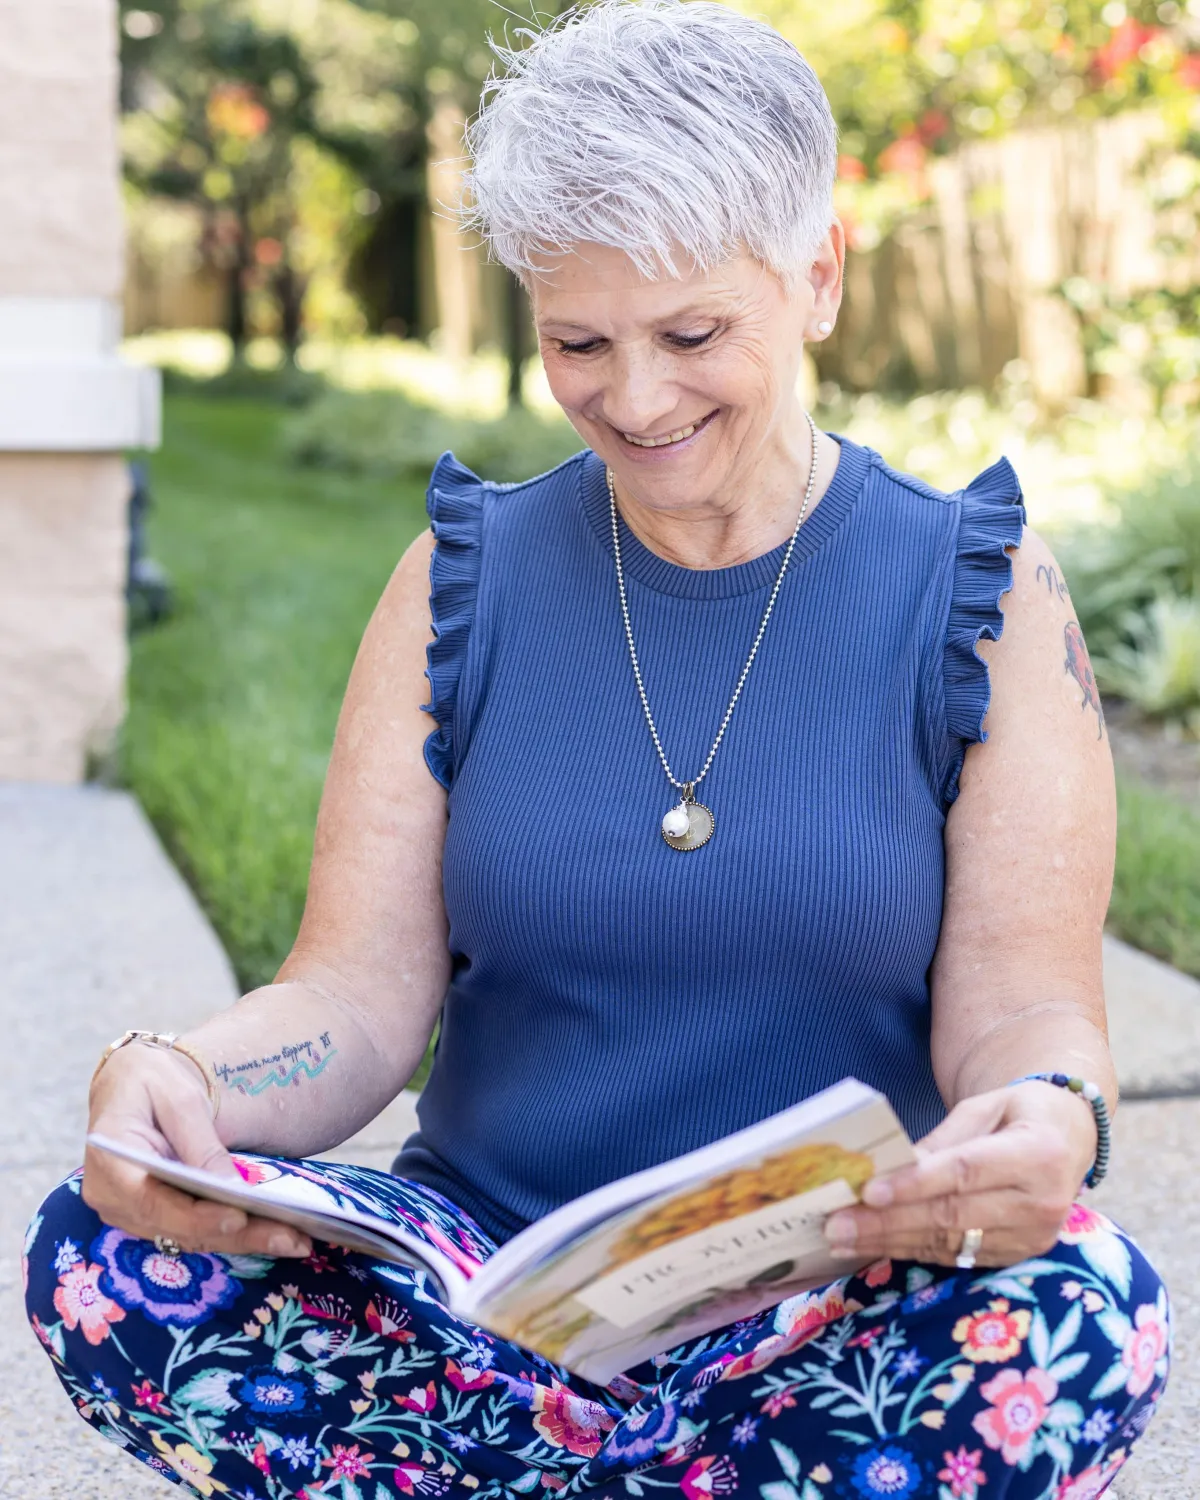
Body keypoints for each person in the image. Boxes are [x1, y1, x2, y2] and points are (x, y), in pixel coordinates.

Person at [25, 4, 1168, 1497]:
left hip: (826, 1297)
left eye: (694, 334)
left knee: (1080, 1313)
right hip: (484, 1295)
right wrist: (169, 1079)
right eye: (579, 340)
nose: (635, 400)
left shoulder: (984, 593)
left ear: (817, 277)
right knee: (105, 1254)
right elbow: (352, 1000)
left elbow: (1025, 1014)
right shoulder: (464, 576)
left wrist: (1054, 1124)